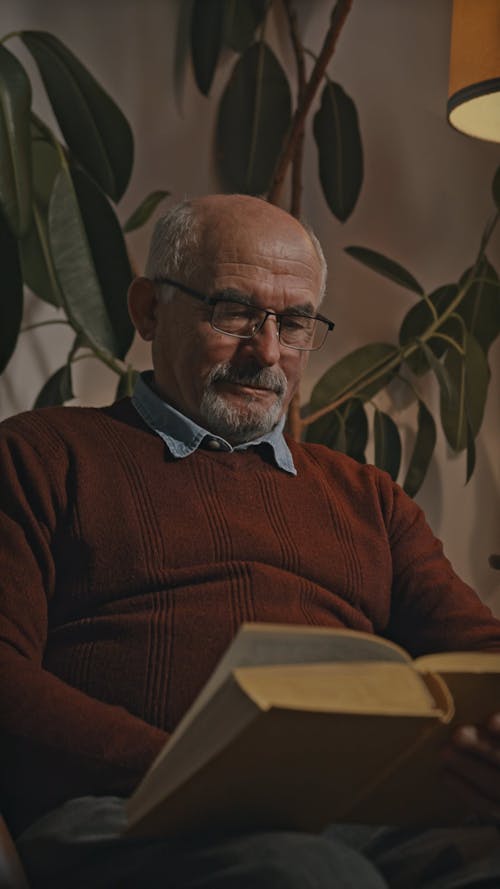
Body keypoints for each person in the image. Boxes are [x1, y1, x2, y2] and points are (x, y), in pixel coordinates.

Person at [1, 193, 500, 888]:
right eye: (234, 311)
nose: (266, 352)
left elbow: (481, 653)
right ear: (147, 309)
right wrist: (193, 768)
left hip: (359, 818)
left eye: (294, 322)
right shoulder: (43, 455)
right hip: (134, 813)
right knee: (312, 873)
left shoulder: (369, 498)